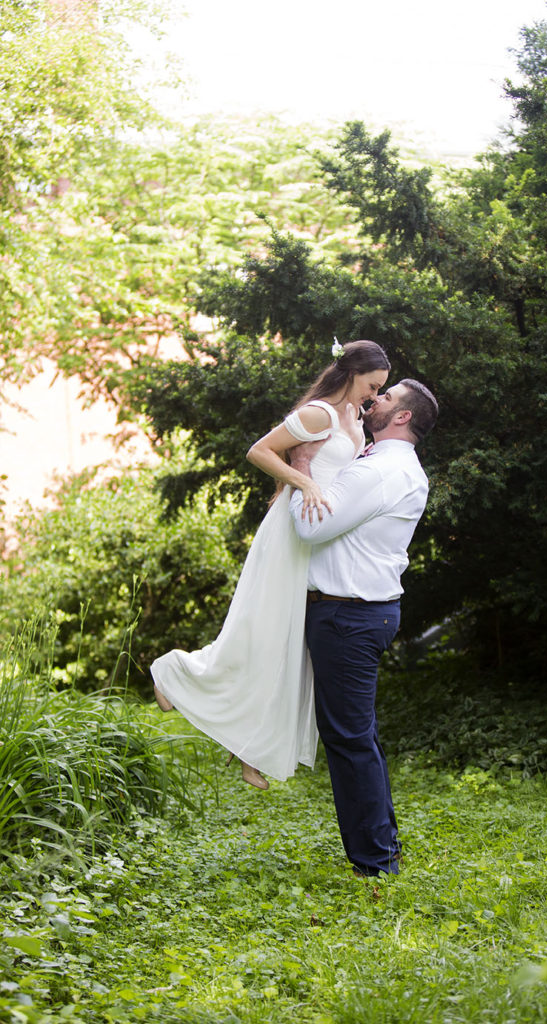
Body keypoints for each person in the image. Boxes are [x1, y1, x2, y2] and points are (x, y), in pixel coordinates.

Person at [150, 340, 391, 790]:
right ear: (354, 372)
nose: (374, 396)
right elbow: (260, 451)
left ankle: (248, 749)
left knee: (290, 646)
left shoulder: (354, 418)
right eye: (372, 385)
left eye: (381, 390)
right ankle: (174, 671)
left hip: (319, 536)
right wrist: (303, 483)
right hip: (290, 533)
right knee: (263, 631)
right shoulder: (318, 413)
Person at [288, 379, 438, 876]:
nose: (376, 399)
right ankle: (381, 850)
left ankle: (376, 862)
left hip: (347, 616)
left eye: (388, 397)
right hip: (361, 612)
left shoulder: (379, 472)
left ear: (404, 418)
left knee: (350, 739)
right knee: (358, 736)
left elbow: (310, 525)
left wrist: (304, 464)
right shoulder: (389, 466)